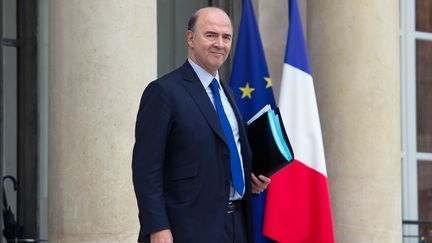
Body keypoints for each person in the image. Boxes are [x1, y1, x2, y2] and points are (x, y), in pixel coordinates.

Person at [132, 7, 270, 243]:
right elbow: (146, 168)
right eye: (211, 35)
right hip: (187, 228)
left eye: (226, 37)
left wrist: (250, 180)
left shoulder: (227, 93)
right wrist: (157, 227)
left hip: (237, 223)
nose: (220, 43)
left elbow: (223, 154)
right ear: (190, 38)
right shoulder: (163, 92)